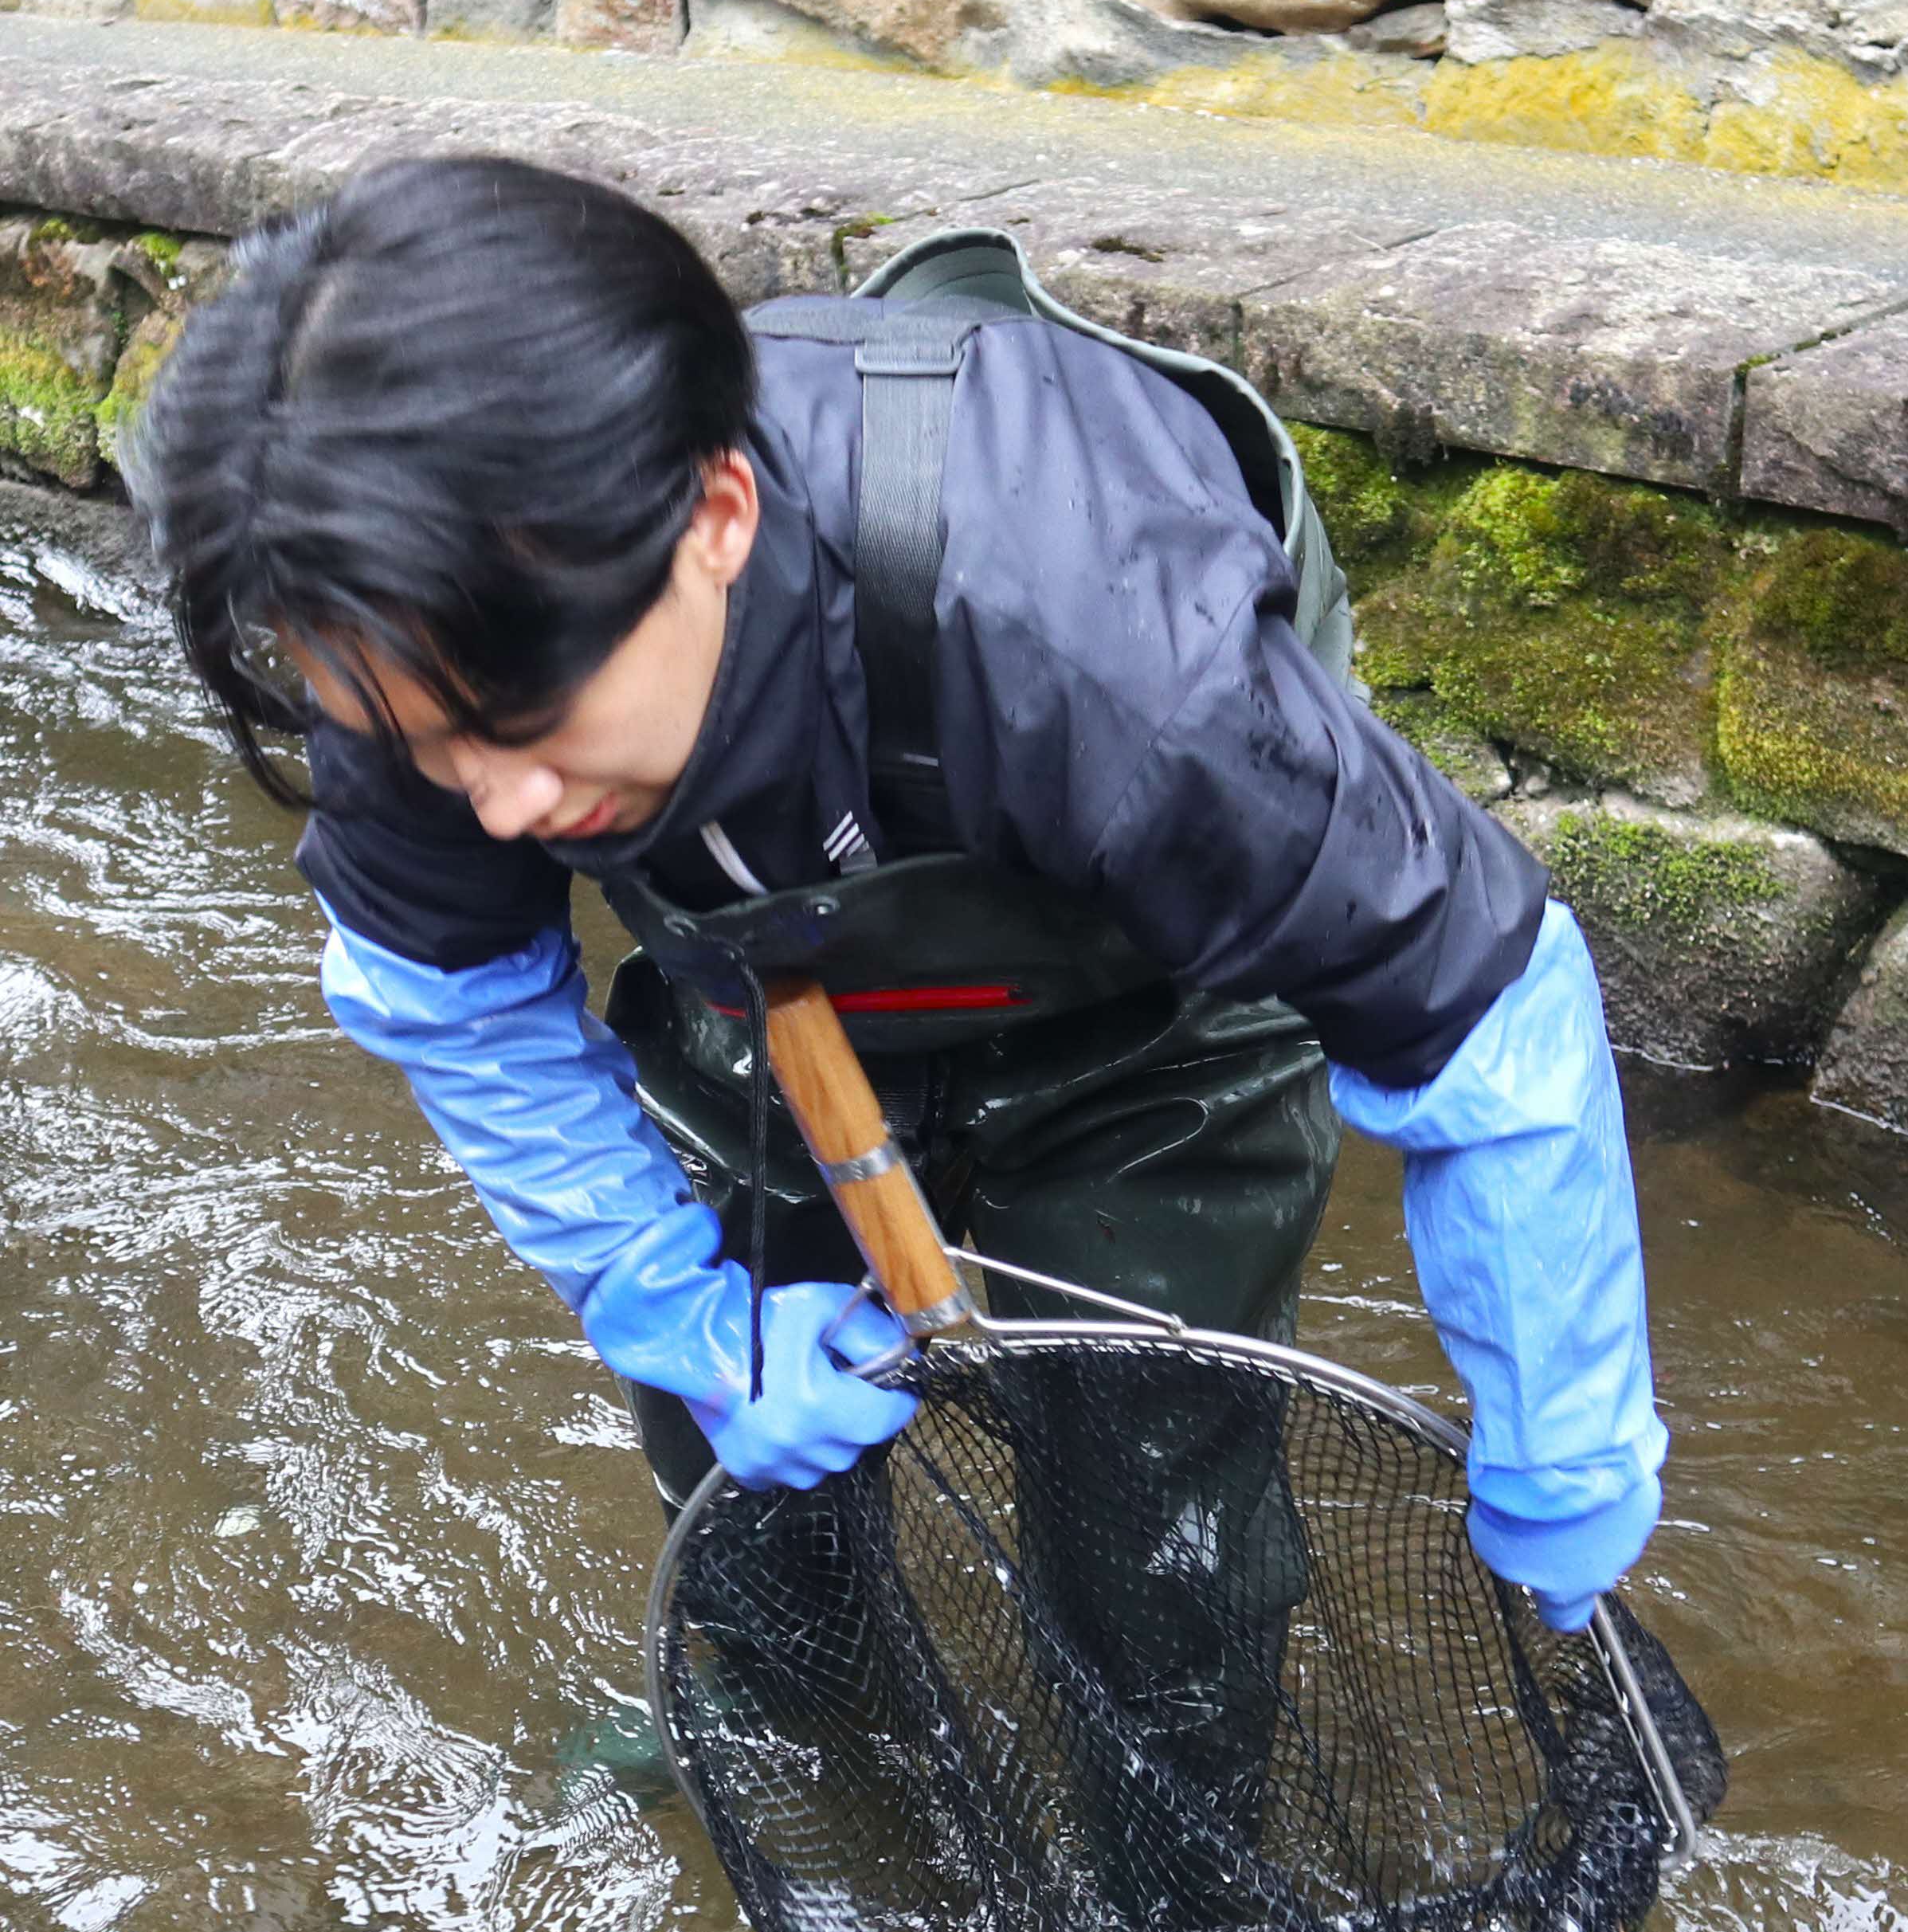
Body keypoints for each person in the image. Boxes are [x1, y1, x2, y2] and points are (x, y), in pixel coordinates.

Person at [132, 155, 1664, 1641]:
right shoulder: (407, 637)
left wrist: (1563, 1438)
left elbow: (1473, 1001)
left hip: (1148, 1004)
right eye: (424, 743)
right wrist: (668, 1303)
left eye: (532, 729)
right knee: (735, 1484)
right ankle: (770, 1729)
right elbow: (456, 1004)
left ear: (714, 513)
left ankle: (1177, 1866)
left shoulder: (1111, 658)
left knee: (1158, 1549)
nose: (501, 806)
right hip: (763, 997)